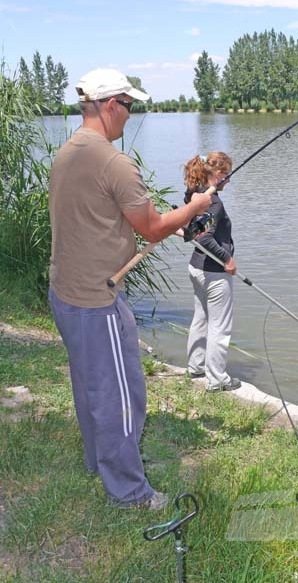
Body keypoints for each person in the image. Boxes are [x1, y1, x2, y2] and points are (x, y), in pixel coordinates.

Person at [48, 68, 212, 509]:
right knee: (120, 395)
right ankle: (129, 491)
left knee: (90, 386)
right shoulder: (114, 162)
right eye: (128, 105)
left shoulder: (68, 153)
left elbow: (97, 216)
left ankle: (96, 461)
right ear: (108, 105)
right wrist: (195, 206)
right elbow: (154, 227)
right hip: (95, 300)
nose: (130, 115)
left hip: (66, 292)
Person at [184, 152, 241, 392]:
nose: (228, 180)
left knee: (201, 318)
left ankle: (196, 367)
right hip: (215, 273)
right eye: (226, 176)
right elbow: (203, 236)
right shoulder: (213, 203)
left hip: (196, 268)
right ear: (216, 175)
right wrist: (227, 259)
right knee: (220, 326)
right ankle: (217, 380)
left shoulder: (193, 195)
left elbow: (190, 230)